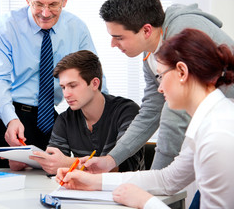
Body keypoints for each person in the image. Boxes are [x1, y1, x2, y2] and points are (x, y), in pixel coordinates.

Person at [57, 29, 234, 208]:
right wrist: (90, 181)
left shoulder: (217, 136)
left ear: (182, 72)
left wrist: (146, 202)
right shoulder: (207, 122)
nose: (159, 88)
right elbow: (167, 179)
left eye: (161, 76)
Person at [82, 0, 234, 172]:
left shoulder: (182, 34)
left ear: (146, 30)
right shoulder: (151, 55)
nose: (113, 44)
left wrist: (154, 180)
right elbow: (151, 111)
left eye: (119, 37)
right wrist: (111, 159)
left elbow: (174, 118)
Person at [0, 0, 106, 169]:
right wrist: (10, 119)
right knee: (4, 179)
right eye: (38, 4)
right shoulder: (5, 27)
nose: (45, 13)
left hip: (50, 118)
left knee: (54, 177)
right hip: (8, 114)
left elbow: (95, 77)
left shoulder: (77, 28)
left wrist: (104, 119)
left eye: (53, 5)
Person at [30, 50, 144, 174]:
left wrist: (71, 163)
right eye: (63, 87)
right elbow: (55, 162)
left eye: (72, 86)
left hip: (126, 190)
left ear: (94, 83)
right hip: (83, 190)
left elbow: (125, 166)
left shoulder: (126, 111)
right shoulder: (65, 119)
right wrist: (28, 163)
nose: (66, 94)